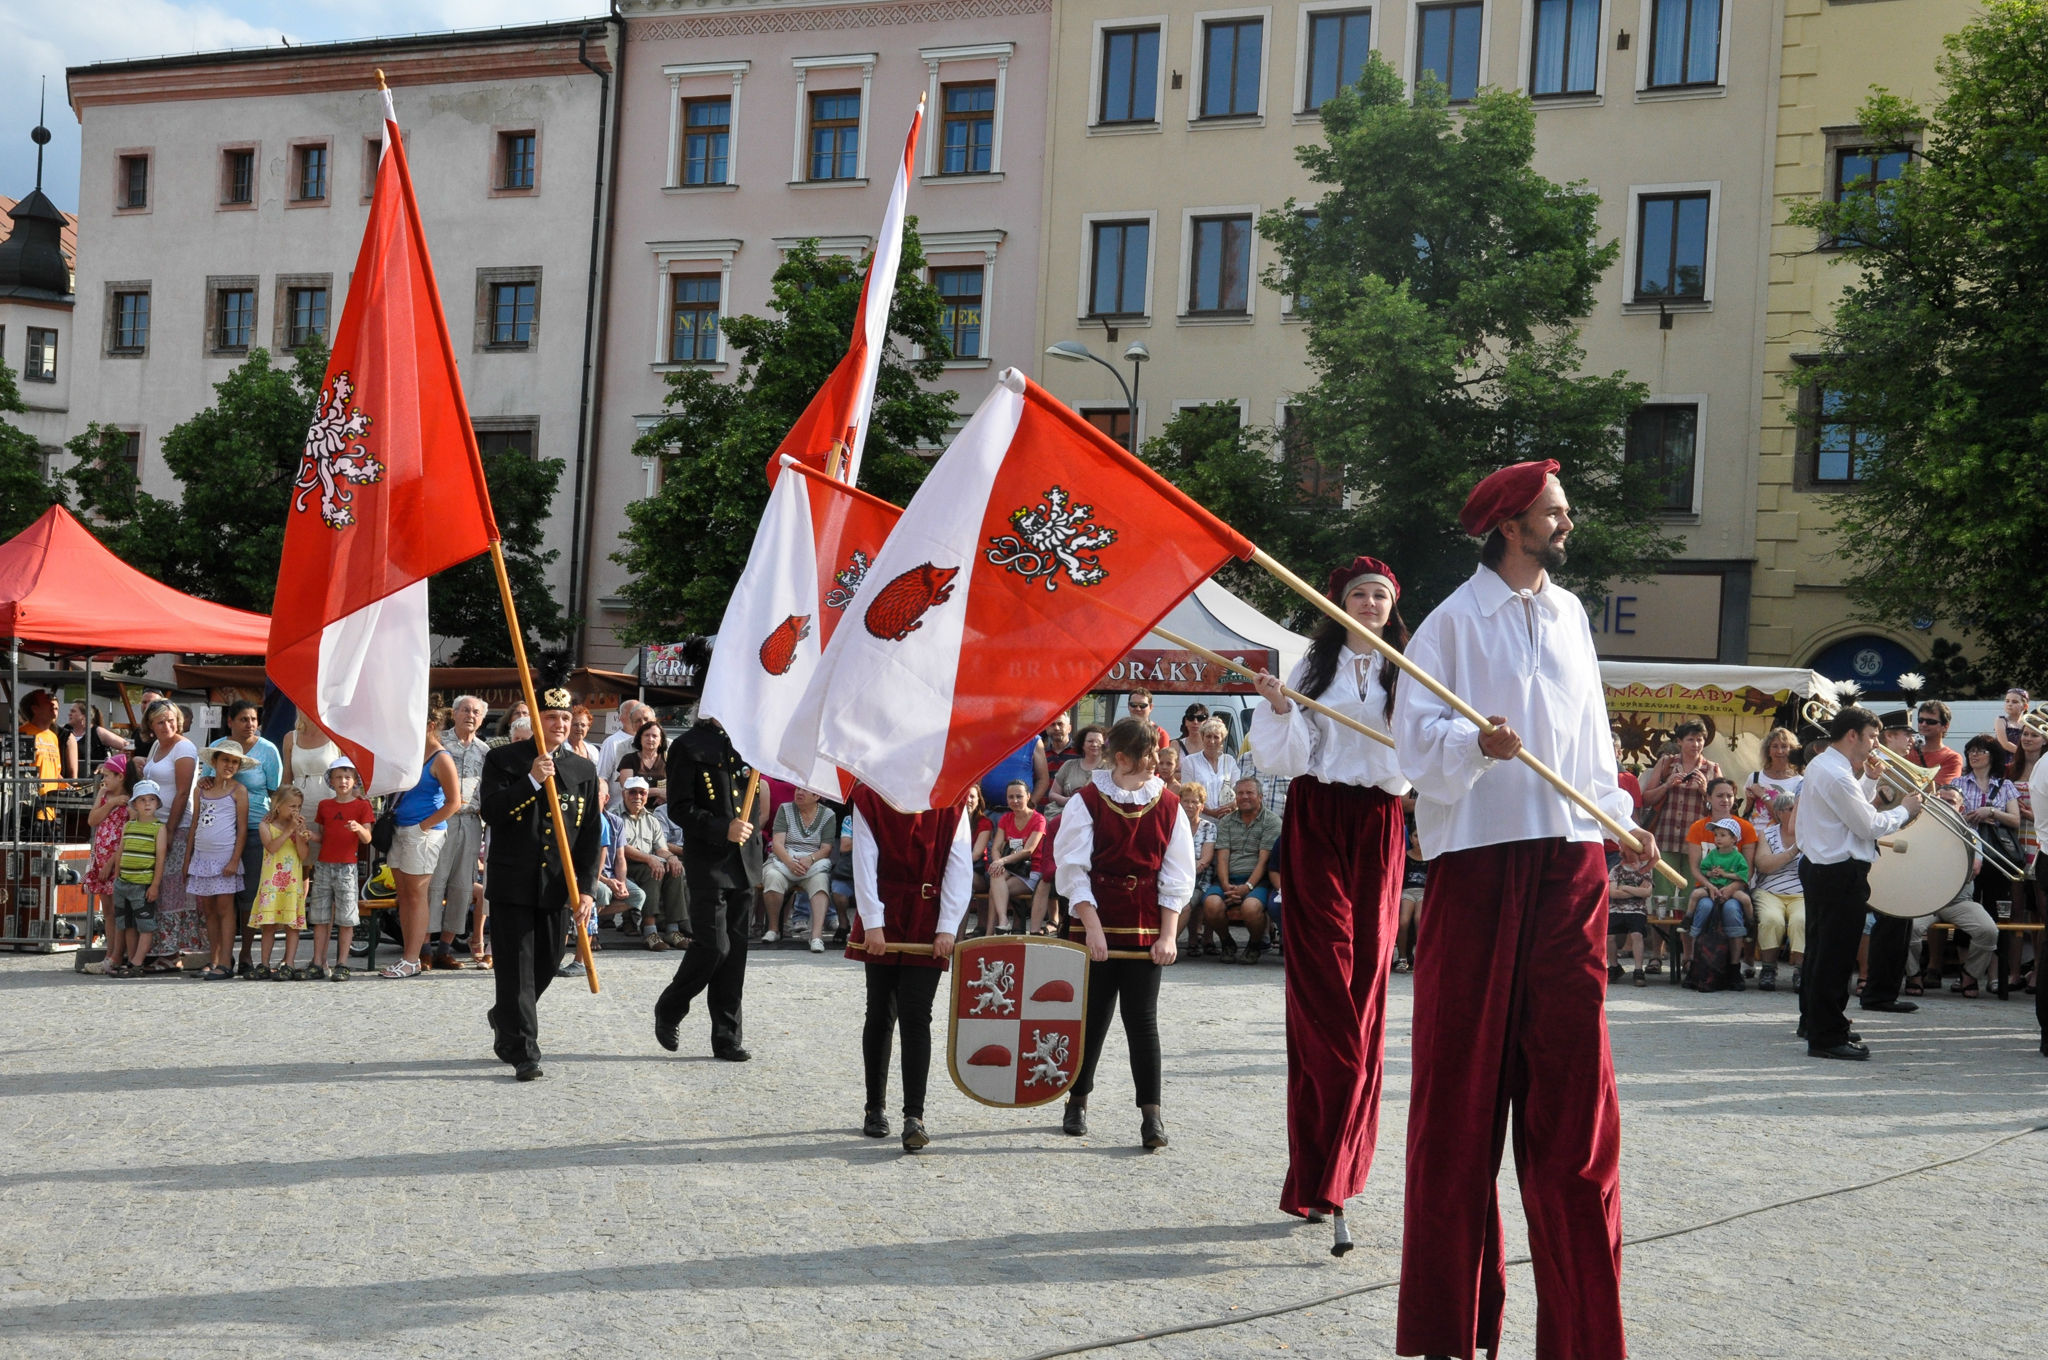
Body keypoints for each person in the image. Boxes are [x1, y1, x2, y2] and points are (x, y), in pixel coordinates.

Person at [1391, 460, 1658, 1360]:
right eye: (1554, 512)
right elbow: (1416, 751)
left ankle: (1583, 1338)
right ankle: (1452, 1330)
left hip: (1571, 866)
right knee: (1461, 1105)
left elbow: (1592, 748)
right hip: (1479, 866)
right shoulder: (1449, 624)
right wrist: (1475, 744)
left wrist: (1619, 821)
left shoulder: (1572, 614)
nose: (1566, 524)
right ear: (1510, 524)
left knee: (1576, 1112)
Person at [1247, 551, 1412, 1253]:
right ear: (1339, 604)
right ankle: (1323, 1155)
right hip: (1317, 818)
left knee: (1366, 978)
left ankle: (1335, 1170)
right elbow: (1280, 759)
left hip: (1378, 823)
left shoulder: (1411, 671)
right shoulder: (1310, 669)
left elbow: (1421, 761)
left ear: (1392, 606)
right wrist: (1281, 708)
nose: (1370, 604)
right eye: (1359, 595)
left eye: (1380, 595)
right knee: (1322, 980)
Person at [1054, 717, 1194, 1149]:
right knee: (1092, 1017)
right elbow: (1072, 871)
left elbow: (1176, 876)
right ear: (1122, 758)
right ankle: (1077, 1101)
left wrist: (1168, 935)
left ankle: (1152, 1116)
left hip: (1144, 925)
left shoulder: (1168, 805)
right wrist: (1092, 929)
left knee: (1142, 1021)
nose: (1157, 761)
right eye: (1148, 754)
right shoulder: (1086, 801)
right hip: (1095, 920)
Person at [479, 682, 603, 1081]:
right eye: (551, 717)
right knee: (516, 971)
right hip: (513, 881)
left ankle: (505, 1016)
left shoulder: (583, 769)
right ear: (535, 719)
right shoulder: (503, 759)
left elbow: (589, 834)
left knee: (547, 964)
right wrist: (531, 780)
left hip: (556, 886)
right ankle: (524, 1052)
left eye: (566, 717)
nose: (560, 724)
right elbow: (491, 812)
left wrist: (586, 889)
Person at [848, 785, 971, 1151]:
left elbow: (959, 865)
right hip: (884, 913)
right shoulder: (870, 796)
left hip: (928, 919)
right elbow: (864, 861)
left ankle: (914, 1116)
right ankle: (875, 1107)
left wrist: (948, 925)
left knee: (917, 1015)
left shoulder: (954, 800)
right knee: (880, 1012)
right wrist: (873, 922)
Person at [1800, 704, 1920, 1056]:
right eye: (1871, 737)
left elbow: (1849, 810)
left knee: (1821, 952)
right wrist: (1905, 810)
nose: (1874, 744)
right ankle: (1827, 1036)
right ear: (1852, 735)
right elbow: (1867, 825)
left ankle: (1816, 1022)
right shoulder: (1836, 773)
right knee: (1835, 957)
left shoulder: (1825, 764)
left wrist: (1868, 779)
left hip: (1823, 867)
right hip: (1839, 871)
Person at [654, 712, 763, 1062]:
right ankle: (671, 1006)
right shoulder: (688, 746)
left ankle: (727, 1036)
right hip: (709, 861)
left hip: (743, 860)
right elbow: (679, 807)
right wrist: (721, 828)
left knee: (736, 954)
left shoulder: (750, 742)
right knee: (714, 946)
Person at [380, 729, 462, 979]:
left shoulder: (441, 758)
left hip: (423, 832)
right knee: (404, 895)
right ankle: (409, 957)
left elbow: (454, 802)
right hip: (399, 828)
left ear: (431, 725)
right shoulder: (407, 752)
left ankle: (412, 959)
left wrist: (422, 827)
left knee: (416, 896)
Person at [424, 696, 490, 970]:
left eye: (476, 712)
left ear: (482, 719)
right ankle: (424, 949)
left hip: (471, 821)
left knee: (462, 887)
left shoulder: (485, 751)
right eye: (465, 710)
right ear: (455, 713)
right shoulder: (439, 743)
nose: (470, 715)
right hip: (442, 819)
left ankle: (444, 949)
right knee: (434, 883)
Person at [138, 701, 200, 970]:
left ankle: (172, 951)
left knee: (172, 889)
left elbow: (183, 792)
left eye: (171, 720)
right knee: (157, 889)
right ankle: (158, 947)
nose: (167, 726)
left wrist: (171, 830)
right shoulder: (156, 746)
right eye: (160, 721)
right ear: (150, 725)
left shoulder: (183, 747)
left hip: (176, 825)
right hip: (154, 825)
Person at [224, 701, 283, 978]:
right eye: (243, 719)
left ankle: (246, 953)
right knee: (221, 896)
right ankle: (221, 955)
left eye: (254, 719)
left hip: (255, 829)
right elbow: (209, 782)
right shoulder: (219, 748)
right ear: (230, 722)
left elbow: (276, 791)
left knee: (249, 895)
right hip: (222, 830)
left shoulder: (268, 750)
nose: (250, 724)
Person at [187, 739, 252, 981]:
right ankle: (213, 959)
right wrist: (188, 860)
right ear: (213, 762)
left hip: (224, 858)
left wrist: (234, 860)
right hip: (202, 858)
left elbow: (242, 829)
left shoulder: (239, 791)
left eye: (235, 762)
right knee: (209, 910)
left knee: (225, 909)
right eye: (225, 759)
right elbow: (195, 824)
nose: (229, 765)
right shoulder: (201, 790)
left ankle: (226, 961)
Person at [1202, 777, 1280, 962]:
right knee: (1211, 904)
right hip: (1228, 879)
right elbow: (1222, 857)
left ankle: (1254, 945)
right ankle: (1227, 943)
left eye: (1249, 793)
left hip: (1258, 881)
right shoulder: (1227, 821)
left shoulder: (1272, 821)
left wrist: (1248, 887)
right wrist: (1225, 885)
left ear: (1260, 796)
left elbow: (1264, 861)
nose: (1244, 797)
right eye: (1240, 793)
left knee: (1251, 908)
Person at [307, 756, 371, 981]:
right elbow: (322, 836)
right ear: (331, 781)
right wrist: (309, 835)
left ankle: (342, 963)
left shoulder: (362, 805)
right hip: (324, 865)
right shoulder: (325, 805)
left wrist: (358, 828)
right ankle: (318, 962)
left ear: (355, 781)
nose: (343, 781)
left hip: (347, 867)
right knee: (320, 916)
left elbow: (367, 838)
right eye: (338, 777)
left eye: (347, 777)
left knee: (346, 917)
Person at [1639, 720, 1719, 886]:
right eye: (1690, 739)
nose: (1695, 744)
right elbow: (1646, 799)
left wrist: (1705, 791)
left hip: (1697, 839)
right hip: (1666, 836)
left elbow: (1723, 806)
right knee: (1663, 889)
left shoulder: (1712, 769)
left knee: (1693, 890)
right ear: (1680, 741)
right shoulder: (1666, 763)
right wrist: (1666, 786)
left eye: (1699, 740)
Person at [765, 787, 839, 952]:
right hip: (785, 858)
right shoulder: (785, 809)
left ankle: (816, 936)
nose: (799, 792)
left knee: (821, 881)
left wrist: (809, 859)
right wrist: (790, 862)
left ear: (817, 796)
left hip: (813, 862)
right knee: (772, 876)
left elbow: (826, 848)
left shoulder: (828, 815)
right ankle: (774, 929)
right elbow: (777, 843)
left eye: (804, 790)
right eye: (798, 788)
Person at [249, 786, 311, 979]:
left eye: (299, 806)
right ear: (278, 806)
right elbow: (272, 847)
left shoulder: (299, 826)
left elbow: (304, 855)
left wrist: (299, 833)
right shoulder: (266, 826)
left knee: (292, 925)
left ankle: (289, 963)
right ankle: (264, 964)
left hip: (292, 882)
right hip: (272, 883)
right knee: (269, 925)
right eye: (292, 806)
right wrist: (289, 830)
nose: (296, 810)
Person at [107, 781, 167, 977]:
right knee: (128, 924)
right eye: (142, 800)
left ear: (158, 803)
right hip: (123, 883)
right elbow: (120, 852)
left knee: (145, 925)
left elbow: (160, 858)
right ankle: (131, 961)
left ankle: (137, 962)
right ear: (134, 804)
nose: (147, 803)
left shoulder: (159, 828)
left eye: (151, 799)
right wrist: (117, 878)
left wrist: (155, 885)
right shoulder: (128, 826)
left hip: (142, 884)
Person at [619, 777, 688, 949]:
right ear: (623, 794)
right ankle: (650, 931)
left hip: (646, 862)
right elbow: (622, 848)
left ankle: (672, 929)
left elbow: (661, 849)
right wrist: (650, 858)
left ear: (646, 796)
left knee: (675, 869)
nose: (637, 796)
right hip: (621, 865)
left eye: (642, 793)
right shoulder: (615, 816)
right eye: (632, 792)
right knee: (652, 871)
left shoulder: (651, 819)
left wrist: (671, 858)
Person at [1749, 790, 1805, 993]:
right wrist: (1793, 852)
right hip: (1769, 891)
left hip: (1802, 893)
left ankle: (1801, 971)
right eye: (1792, 809)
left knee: (1802, 920)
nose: (1798, 812)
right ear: (1780, 813)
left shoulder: (1810, 833)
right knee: (1771, 919)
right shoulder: (1768, 834)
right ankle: (1768, 968)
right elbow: (1763, 865)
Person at [1686, 818, 1753, 985]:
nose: (1718, 838)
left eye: (1723, 835)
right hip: (1712, 889)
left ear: (1734, 839)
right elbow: (1703, 869)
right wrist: (1711, 877)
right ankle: (1695, 964)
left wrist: (1727, 879)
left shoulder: (1737, 856)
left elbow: (1744, 875)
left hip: (1732, 889)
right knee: (1704, 905)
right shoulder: (1712, 854)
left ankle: (1735, 965)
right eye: (1716, 835)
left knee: (1733, 908)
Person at [83, 756, 132, 954]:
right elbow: (92, 820)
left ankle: (118, 953)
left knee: (119, 910)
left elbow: (126, 837)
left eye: (107, 776)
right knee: (108, 911)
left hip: (115, 862)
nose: (104, 780)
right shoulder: (105, 796)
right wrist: (110, 803)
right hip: (100, 861)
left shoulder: (130, 800)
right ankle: (110, 953)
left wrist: (111, 863)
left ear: (120, 777)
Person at [987, 780, 1047, 936]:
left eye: (1019, 796)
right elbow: (996, 848)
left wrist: (1001, 861)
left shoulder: (1039, 819)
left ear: (1028, 796)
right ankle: (1003, 921)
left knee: (996, 890)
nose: (1014, 801)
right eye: (1010, 797)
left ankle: (991, 932)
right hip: (1011, 867)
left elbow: (1028, 850)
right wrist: (997, 861)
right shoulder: (1006, 818)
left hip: (1031, 869)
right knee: (996, 875)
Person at [279, 711, 340, 823]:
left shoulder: (336, 735)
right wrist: (276, 808)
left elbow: (349, 772)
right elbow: (286, 780)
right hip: (299, 807)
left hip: (332, 805)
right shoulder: (290, 738)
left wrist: (357, 794)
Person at [1181, 717, 1240, 820]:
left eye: (1216, 737)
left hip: (1227, 821)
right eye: (1208, 736)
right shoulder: (1190, 761)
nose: (1212, 741)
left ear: (1222, 740)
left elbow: (1239, 790)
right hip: (1200, 821)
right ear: (1202, 737)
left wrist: (1227, 809)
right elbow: (1187, 794)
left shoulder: (1230, 761)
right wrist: (1211, 813)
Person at [1607, 852, 1651, 987]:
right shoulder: (1616, 870)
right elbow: (1613, 893)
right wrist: (1636, 891)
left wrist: (1624, 887)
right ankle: (1614, 966)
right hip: (1616, 909)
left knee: (1637, 934)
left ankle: (1638, 970)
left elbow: (1646, 892)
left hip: (1637, 909)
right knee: (1608, 936)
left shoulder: (1644, 870)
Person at [1744, 726, 1804, 825]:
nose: (1779, 751)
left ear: (1791, 750)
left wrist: (1763, 795)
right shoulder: (1754, 777)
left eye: (1784, 746)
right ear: (1768, 751)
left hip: (1780, 834)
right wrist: (1749, 802)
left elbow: (1786, 821)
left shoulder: (1799, 782)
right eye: (1775, 746)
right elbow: (1747, 813)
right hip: (1754, 832)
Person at [1049, 725, 1108, 813]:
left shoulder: (1110, 768)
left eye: (1099, 742)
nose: (1095, 744)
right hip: (1069, 816)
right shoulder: (1069, 765)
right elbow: (1053, 794)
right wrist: (1068, 801)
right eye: (1090, 741)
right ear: (1082, 745)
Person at [65, 700, 130, 777]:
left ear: (84, 716)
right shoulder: (65, 731)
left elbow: (129, 746)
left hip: (93, 780)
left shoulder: (98, 732)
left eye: (73, 711)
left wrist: (109, 762)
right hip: (67, 779)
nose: (69, 714)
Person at [597, 699, 652, 785]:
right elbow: (602, 776)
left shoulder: (658, 742)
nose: (642, 722)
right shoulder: (612, 742)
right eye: (633, 712)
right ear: (622, 719)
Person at [617, 719, 670, 806]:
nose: (650, 739)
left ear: (661, 740)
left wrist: (667, 795)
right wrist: (659, 791)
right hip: (635, 809)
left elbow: (678, 785)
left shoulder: (669, 759)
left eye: (654, 736)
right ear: (640, 738)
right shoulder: (628, 759)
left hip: (663, 810)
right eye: (646, 735)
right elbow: (628, 788)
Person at [1910, 700, 1965, 785]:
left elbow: (1941, 789)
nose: (1923, 724)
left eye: (1931, 722)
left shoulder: (1952, 758)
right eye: (1920, 720)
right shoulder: (1907, 751)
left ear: (1945, 726)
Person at [1991, 686, 2030, 757]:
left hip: (2022, 758)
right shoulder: (2001, 720)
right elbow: (2004, 743)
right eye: (2007, 701)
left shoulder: (2027, 724)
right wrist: (2024, 754)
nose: (2009, 704)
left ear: (2025, 706)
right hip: (2004, 758)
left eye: (2015, 702)